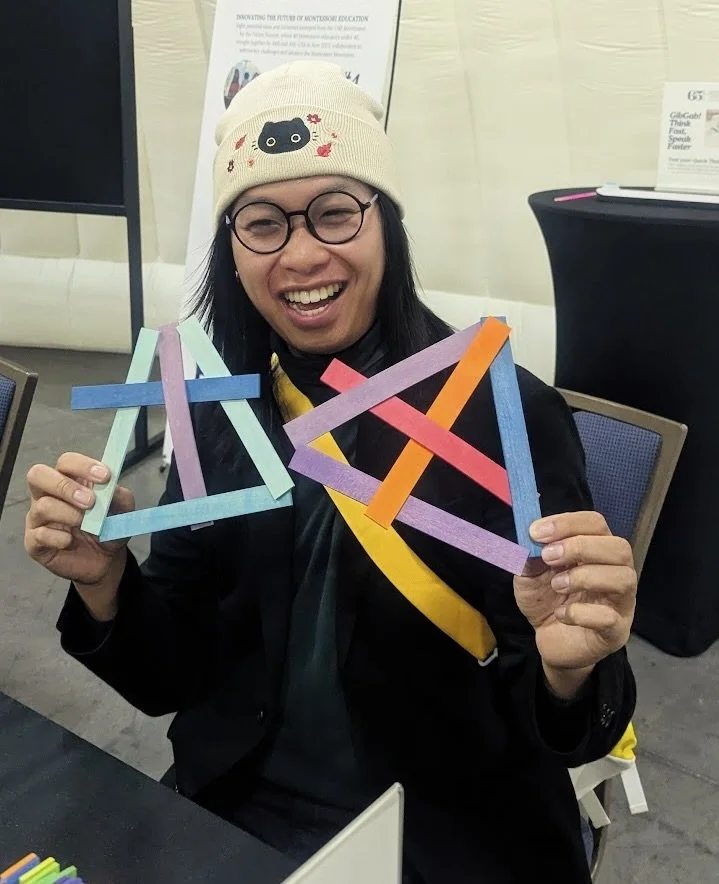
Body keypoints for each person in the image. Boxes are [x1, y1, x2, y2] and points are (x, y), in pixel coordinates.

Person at [24, 61, 637, 883]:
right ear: (232, 250)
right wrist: (107, 583)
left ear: (387, 224)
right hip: (234, 805)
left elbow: (566, 723)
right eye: (263, 223)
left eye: (336, 213)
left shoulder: (503, 414)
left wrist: (570, 673)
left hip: (438, 835)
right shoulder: (220, 410)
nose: (303, 255)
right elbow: (171, 673)